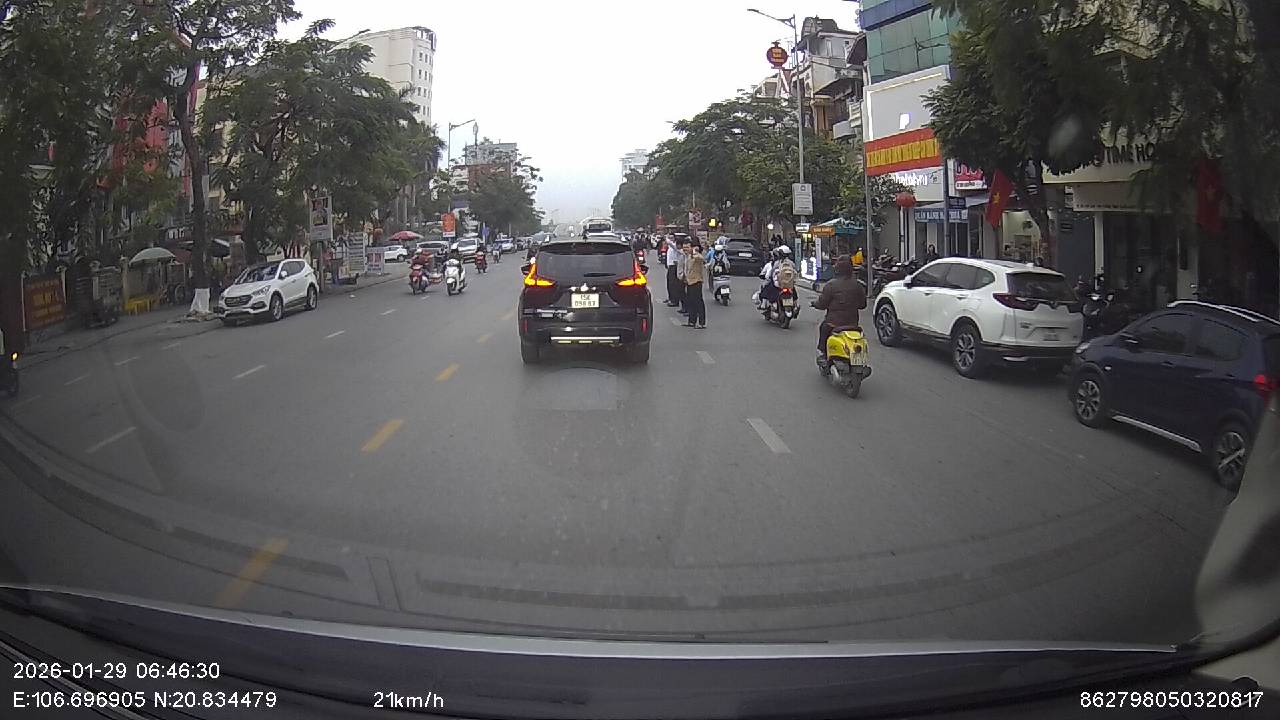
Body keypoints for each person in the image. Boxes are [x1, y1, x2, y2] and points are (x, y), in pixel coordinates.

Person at [813, 255, 868, 359]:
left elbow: (822, 304)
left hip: (833, 324)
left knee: (823, 328)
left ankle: (824, 354)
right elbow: (863, 305)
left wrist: (814, 304)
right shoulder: (858, 285)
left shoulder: (830, 285)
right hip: (853, 324)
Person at [684, 240, 707, 328]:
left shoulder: (697, 256)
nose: (686, 249)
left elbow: (701, 258)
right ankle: (691, 321)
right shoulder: (688, 257)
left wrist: (695, 251)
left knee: (698, 302)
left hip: (696, 281)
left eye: (688, 247)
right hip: (689, 282)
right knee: (690, 302)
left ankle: (701, 323)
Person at [665, 237, 681, 306]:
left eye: (672, 237)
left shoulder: (675, 247)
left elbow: (670, 243)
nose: (671, 239)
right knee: (669, 284)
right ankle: (670, 298)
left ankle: (674, 300)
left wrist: (666, 237)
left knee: (673, 284)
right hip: (670, 266)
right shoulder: (670, 247)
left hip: (674, 267)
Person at [675, 238, 689, 314]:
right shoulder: (681, 254)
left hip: (685, 277)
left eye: (687, 247)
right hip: (680, 276)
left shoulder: (688, 256)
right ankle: (684, 307)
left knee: (686, 294)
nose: (685, 249)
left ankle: (687, 309)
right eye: (684, 247)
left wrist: (684, 275)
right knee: (681, 293)